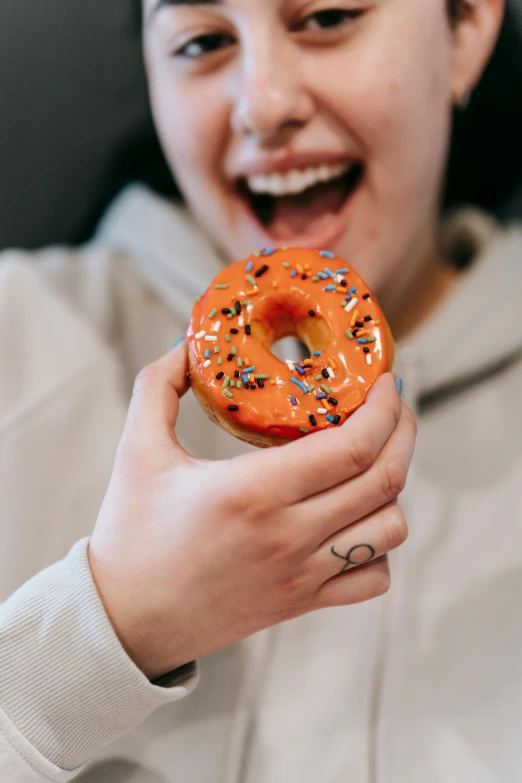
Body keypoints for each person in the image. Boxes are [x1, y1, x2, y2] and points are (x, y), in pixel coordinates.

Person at [0, 0, 520, 781]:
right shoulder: (20, 340)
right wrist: (110, 624)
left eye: (328, 17)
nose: (265, 103)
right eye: (203, 40)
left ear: (467, 29)